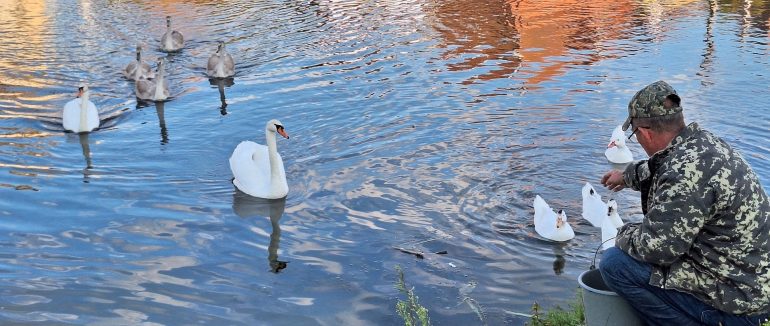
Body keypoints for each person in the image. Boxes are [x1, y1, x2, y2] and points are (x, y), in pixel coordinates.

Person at [599, 81, 770, 325]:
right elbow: (662, 165)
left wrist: (623, 233)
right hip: (751, 280)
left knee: (615, 264)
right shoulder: (703, 143)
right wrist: (627, 176)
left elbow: (655, 249)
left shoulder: (682, 174)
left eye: (635, 134)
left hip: (738, 304)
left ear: (645, 132)